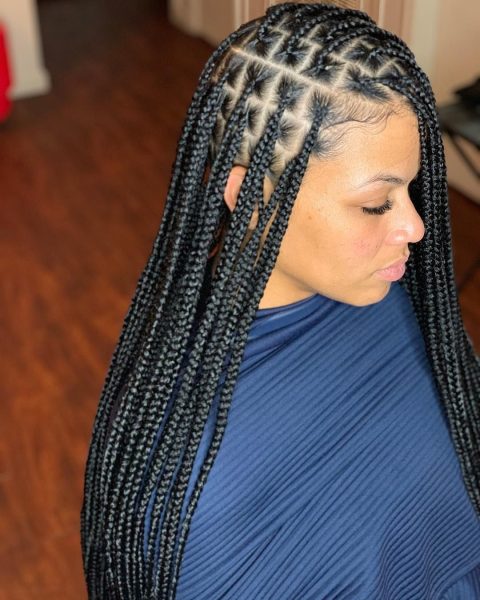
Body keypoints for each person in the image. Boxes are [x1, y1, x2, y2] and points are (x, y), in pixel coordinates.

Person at [80, 3, 480, 599]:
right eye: (376, 204)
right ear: (252, 195)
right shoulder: (183, 479)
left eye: (412, 189)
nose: (416, 228)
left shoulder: (395, 301)